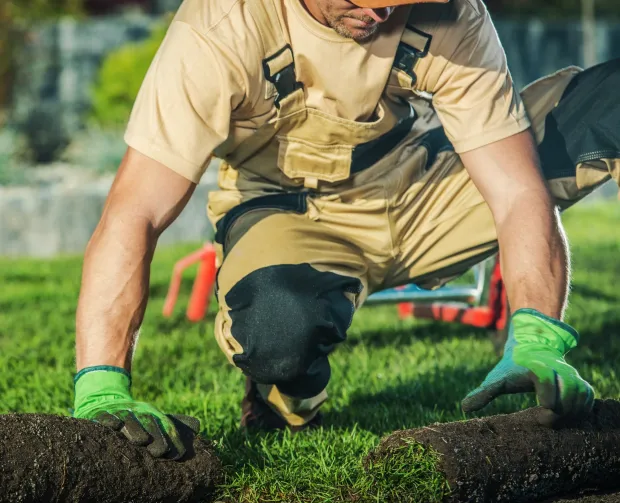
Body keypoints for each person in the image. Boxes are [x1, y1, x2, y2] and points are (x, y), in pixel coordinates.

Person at [72, 0, 620, 459]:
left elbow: (516, 190)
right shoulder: (221, 27)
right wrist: (101, 382)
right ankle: (287, 393)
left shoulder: (452, 14)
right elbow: (135, 211)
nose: (379, 10)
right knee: (279, 332)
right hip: (289, 212)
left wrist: (538, 337)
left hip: (422, 188)